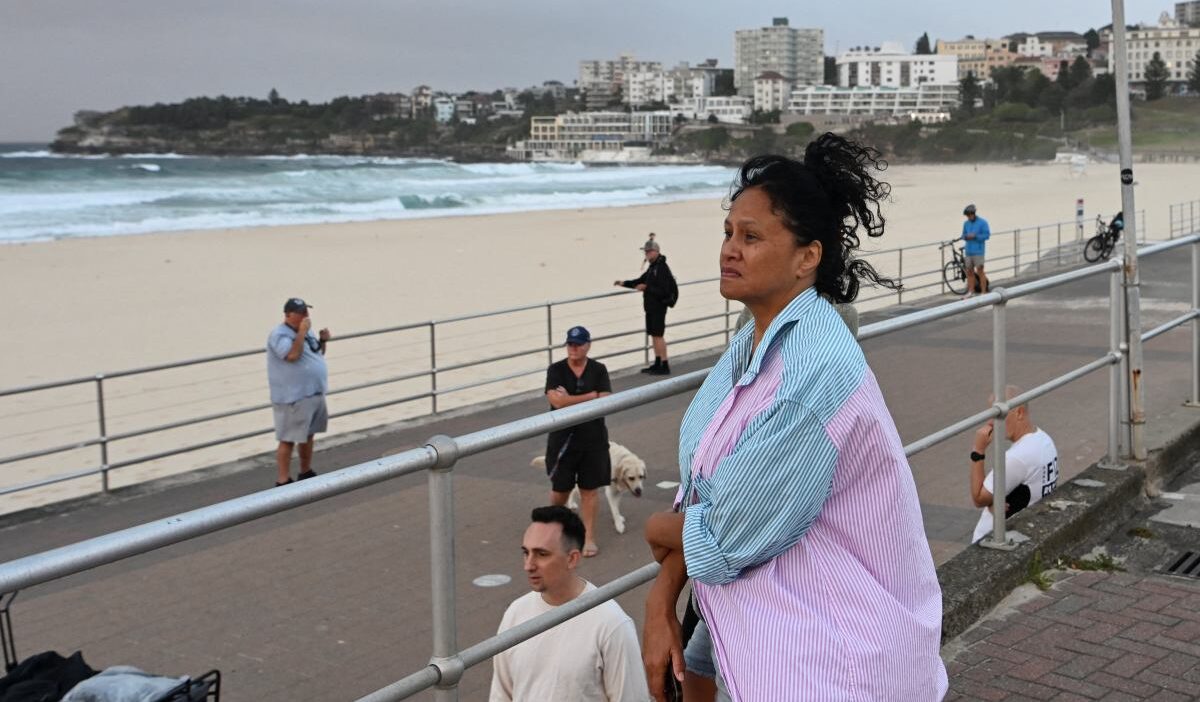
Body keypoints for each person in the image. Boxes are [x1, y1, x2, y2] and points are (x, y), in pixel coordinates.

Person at [641, 136, 946, 701]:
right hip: (762, 617)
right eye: (729, 232)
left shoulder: (813, 372)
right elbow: (712, 495)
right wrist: (662, 595)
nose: (730, 250)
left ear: (808, 257)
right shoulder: (757, 342)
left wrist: (655, 528)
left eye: (751, 237)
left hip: (826, 649)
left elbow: (724, 536)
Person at [489, 506, 649, 702]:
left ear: (572, 558)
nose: (528, 565)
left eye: (541, 554)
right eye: (526, 552)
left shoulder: (611, 624)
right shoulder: (515, 613)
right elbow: (501, 695)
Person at [544, 326, 612, 557]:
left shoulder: (598, 369)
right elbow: (556, 402)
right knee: (560, 491)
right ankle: (553, 529)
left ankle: (588, 537)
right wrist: (589, 396)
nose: (573, 349)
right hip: (562, 441)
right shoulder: (556, 370)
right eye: (570, 344)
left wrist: (570, 399)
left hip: (593, 440)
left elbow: (604, 400)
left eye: (578, 344)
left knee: (589, 491)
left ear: (588, 345)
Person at [969, 386, 1059, 544]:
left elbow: (978, 498)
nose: (991, 422)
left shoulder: (1017, 458)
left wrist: (978, 451)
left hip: (993, 540)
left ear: (1019, 412)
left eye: (998, 415)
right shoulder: (1044, 439)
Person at [266, 297, 331, 487]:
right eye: (301, 313)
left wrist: (323, 341)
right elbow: (292, 356)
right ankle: (283, 479)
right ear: (288, 315)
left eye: (306, 312)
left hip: (313, 393)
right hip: (293, 396)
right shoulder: (279, 335)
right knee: (288, 438)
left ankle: (305, 471)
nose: (306, 316)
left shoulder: (306, 331)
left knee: (308, 435)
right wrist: (301, 332)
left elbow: (316, 353)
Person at [615, 239, 678, 375]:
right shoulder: (652, 267)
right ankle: (657, 362)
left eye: (649, 251)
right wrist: (623, 283)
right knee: (653, 335)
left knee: (658, 336)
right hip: (650, 307)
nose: (647, 254)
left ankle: (664, 364)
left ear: (656, 252)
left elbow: (664, 291)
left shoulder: (661, 268)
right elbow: (639, 281)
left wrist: (646, 288)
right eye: (646, 252)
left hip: (659, 307)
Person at [961, 203, 990, 297]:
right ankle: (970, 291)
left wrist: (975, 236)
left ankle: (983, 292)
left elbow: (987, 235)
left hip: (978, 251)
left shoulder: (983, 222)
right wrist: (966, 236)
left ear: (973, 213)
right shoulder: (966, 223)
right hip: (968, 251)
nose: (968, 217)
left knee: (980, 271)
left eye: (969, 215)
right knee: (969, 272)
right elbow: (963, 235)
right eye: (967, 216)